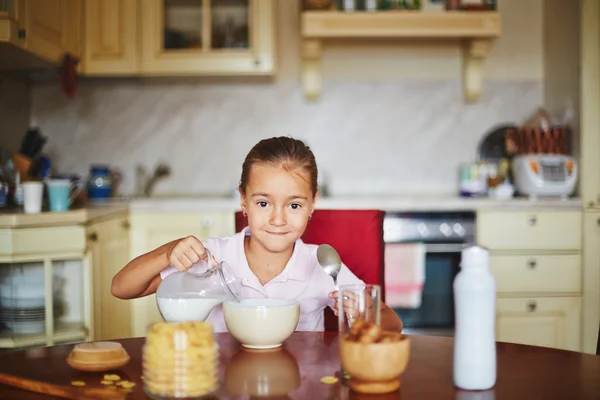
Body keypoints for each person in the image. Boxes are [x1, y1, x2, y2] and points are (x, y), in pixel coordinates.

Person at [111, 136, 403, 333]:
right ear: (243, 200)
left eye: (294, 204)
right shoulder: (213, 256)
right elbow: (122, 287)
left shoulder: (323, 265)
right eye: (263, 203)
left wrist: (367, 314)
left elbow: (394, 323)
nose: (278, 218)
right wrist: (166, 252)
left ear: (313, 203)